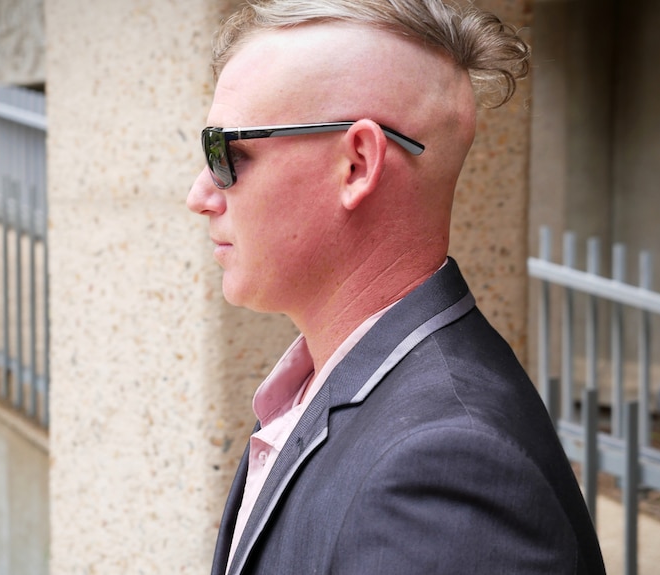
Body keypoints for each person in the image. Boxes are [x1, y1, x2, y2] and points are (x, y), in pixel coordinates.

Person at [187, 1, 605, 574]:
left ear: (357, 165)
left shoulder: (444, 467)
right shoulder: (339, 389)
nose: (201, 194)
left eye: (228, 153)